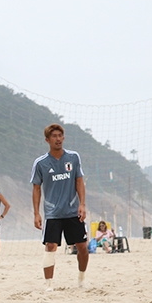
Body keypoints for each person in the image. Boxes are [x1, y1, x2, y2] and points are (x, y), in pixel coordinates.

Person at [31, 123, 89, 291]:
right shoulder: (41, 163)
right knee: (50, 246)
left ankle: (81, 279)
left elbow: (79, 181)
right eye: (54, 136)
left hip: (72, 210)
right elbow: (36, 188)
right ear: (47, 140)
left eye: (60, 136)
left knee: (82, 247)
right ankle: (49, 285)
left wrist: (82, 204)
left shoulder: (73, 157)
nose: (57, 139)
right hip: (52, 213)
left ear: (63, 138)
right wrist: (36, 213)